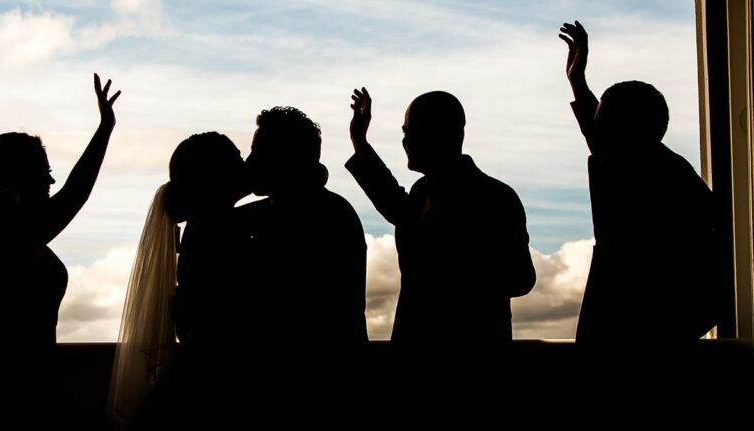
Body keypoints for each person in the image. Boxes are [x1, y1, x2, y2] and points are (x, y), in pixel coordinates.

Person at [0, 74, 119, 423]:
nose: (51, 182)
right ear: (16, 179)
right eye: (42, 173)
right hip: (8, 396)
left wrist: (105, 129)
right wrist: (104, 129)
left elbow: (73, 194)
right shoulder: (2, 233)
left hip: (11, 388)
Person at [559, 21, 727, 344]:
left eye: (603, 119)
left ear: (628, 129)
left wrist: (669, 331)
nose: (595, 126)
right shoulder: (649, 167)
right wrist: (577, 82)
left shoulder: (665, 178)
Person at [345, 88, 535, 347]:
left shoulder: (494, 197)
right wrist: (359, 140)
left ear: (443, 132)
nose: (405, 141)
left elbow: (521, 278)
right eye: (404, 132)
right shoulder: (422, 191)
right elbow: (394, 204)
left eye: (410, 130)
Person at [107, 132, 251, 429]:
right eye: (237, 158)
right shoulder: (219, 227)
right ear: (216, 176)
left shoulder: (207, 224)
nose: (245, 164)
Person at [241, 106, 368, 424]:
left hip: (309, 393)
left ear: (284, 158)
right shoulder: (330, 209)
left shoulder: (308, 218)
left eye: (258, 151)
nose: (250, 162)